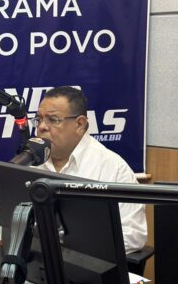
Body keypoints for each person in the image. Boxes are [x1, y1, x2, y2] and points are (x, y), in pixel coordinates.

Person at [32, 86, 147, 253]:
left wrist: (70, 249)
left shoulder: (112, 167)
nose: (42, 127)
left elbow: (133, 235)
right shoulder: (29, 160)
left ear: (80, 124)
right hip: (32, 260)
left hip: (86, 263)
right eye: (39, 119)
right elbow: (4, 219)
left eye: (53, 119)